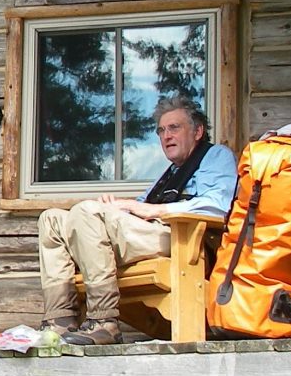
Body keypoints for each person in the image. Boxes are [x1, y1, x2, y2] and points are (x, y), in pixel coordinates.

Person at [37, 94, 238, 346]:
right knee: (52, 219)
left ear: (198, 131)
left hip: (182, 240)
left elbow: (218, 206)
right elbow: (140, 207)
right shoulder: (169, 174)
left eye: (174, 128)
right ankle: (60, 320)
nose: (166, 136)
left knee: (86, 212)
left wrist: (148, 210)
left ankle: (104, 322)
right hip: (148, 235)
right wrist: (115, 208)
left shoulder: (216, 156)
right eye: (161, 130)